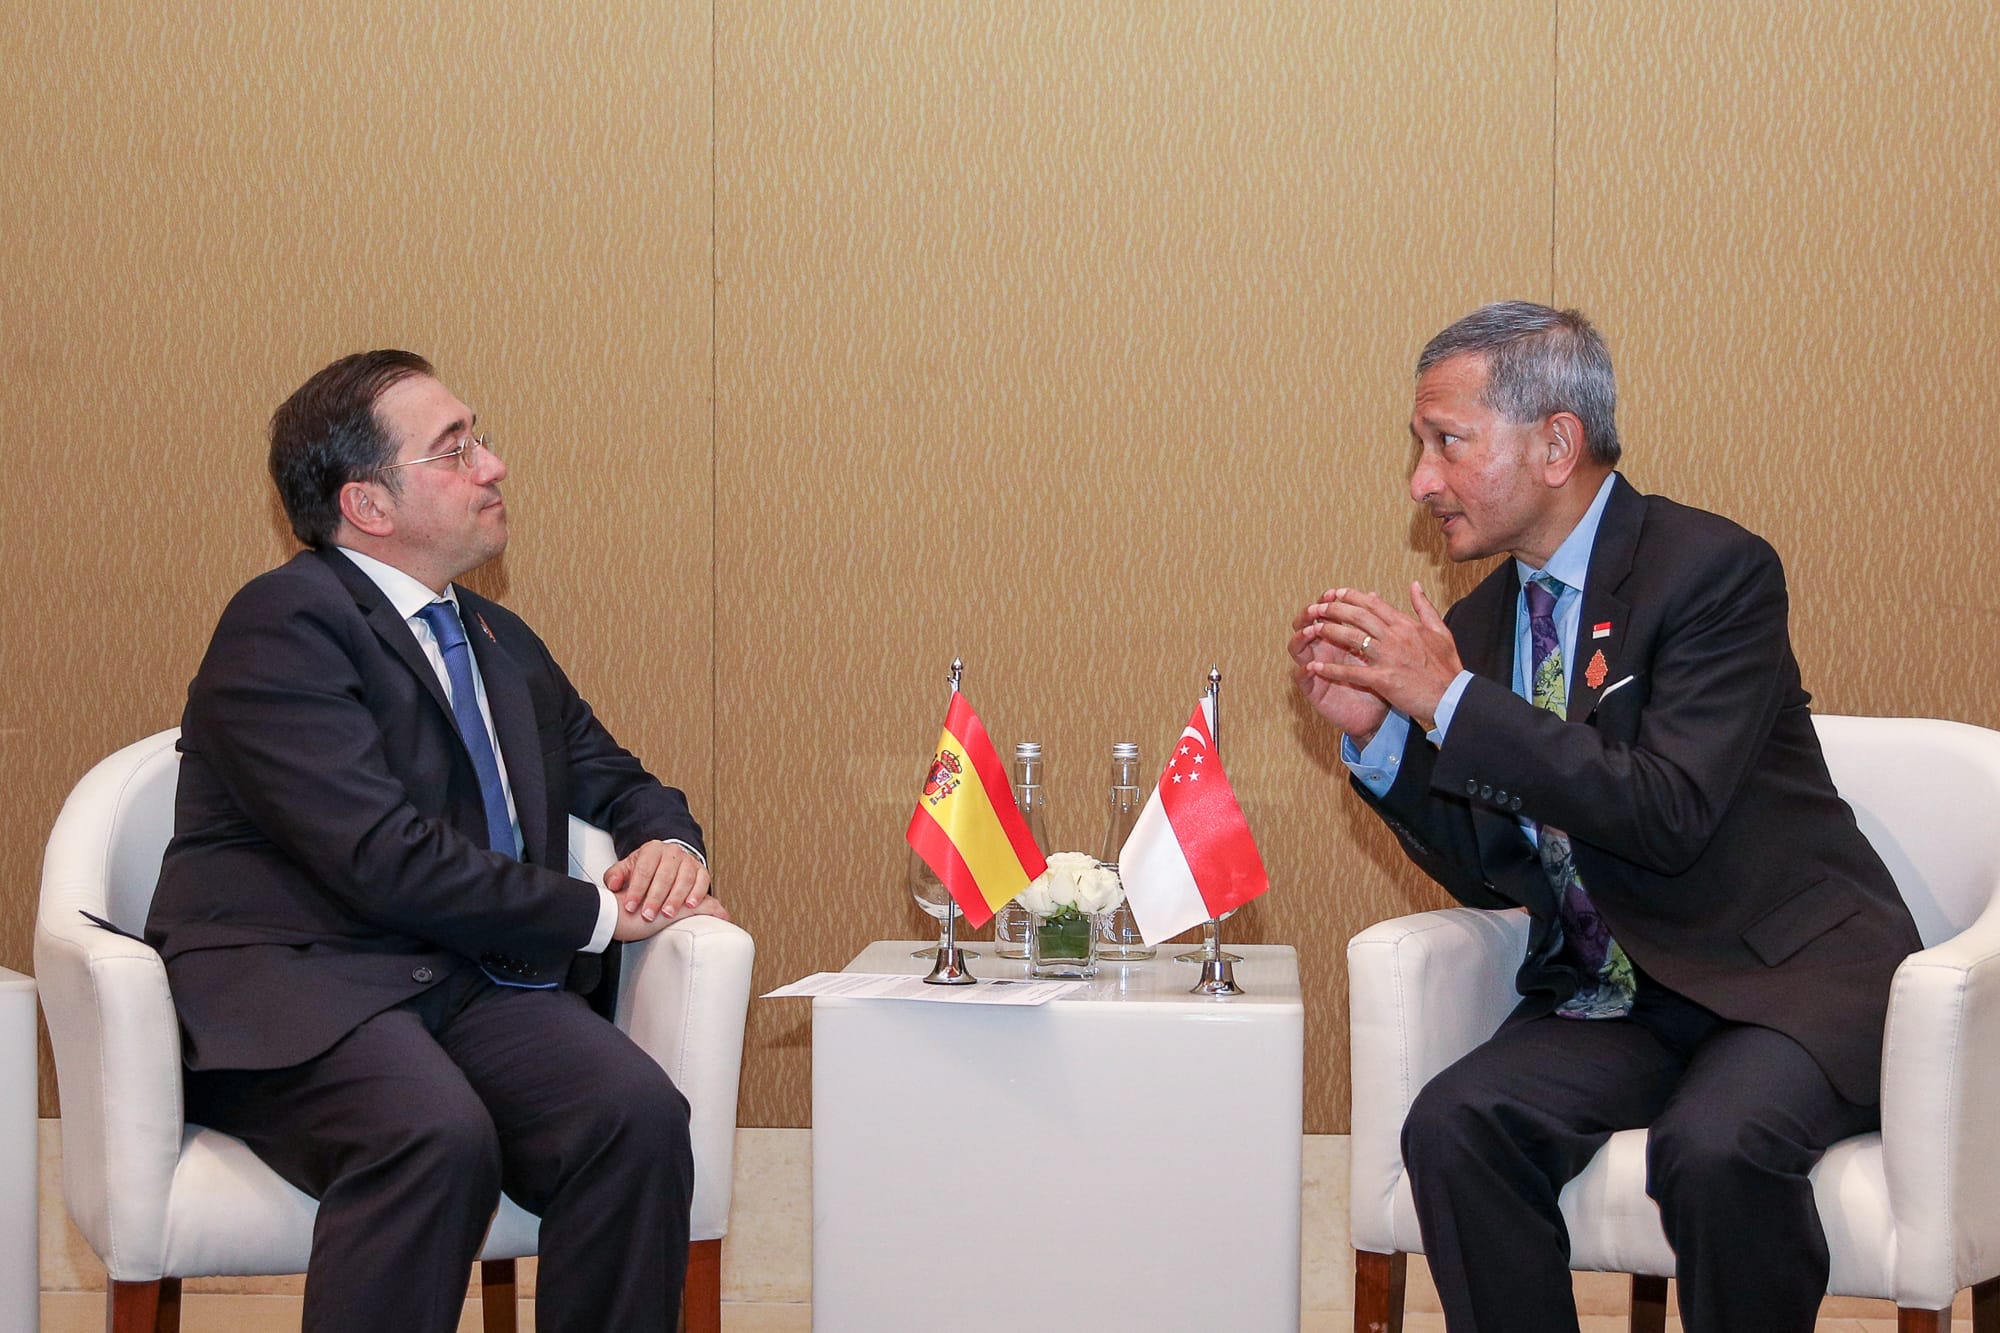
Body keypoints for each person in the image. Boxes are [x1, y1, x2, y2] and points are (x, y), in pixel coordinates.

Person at [1288, 302, 1919, 1333]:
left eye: (1445, 442)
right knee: (1454, 1126)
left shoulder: (1712, 573)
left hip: (1780, 978)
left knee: (1712, 1150)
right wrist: (1386, 741)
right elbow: (1497, 869)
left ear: (1554, 442)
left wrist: (1449, 705)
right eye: (1418, 446)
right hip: (1621, 996)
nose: (1420, 481)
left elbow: (1665, 811)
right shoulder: (1479, 626)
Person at [146, 349, 727, 1333]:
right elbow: (378, 853)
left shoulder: (496, 639)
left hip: (454, 979)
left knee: (632, 1116)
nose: (492, 465)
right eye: (454, 450)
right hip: (302, 987)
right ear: (367, 504)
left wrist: (668, 844)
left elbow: (618, 780)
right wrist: (595, 913)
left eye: (480, 439)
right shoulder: (284, 623)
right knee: (430, 1133)